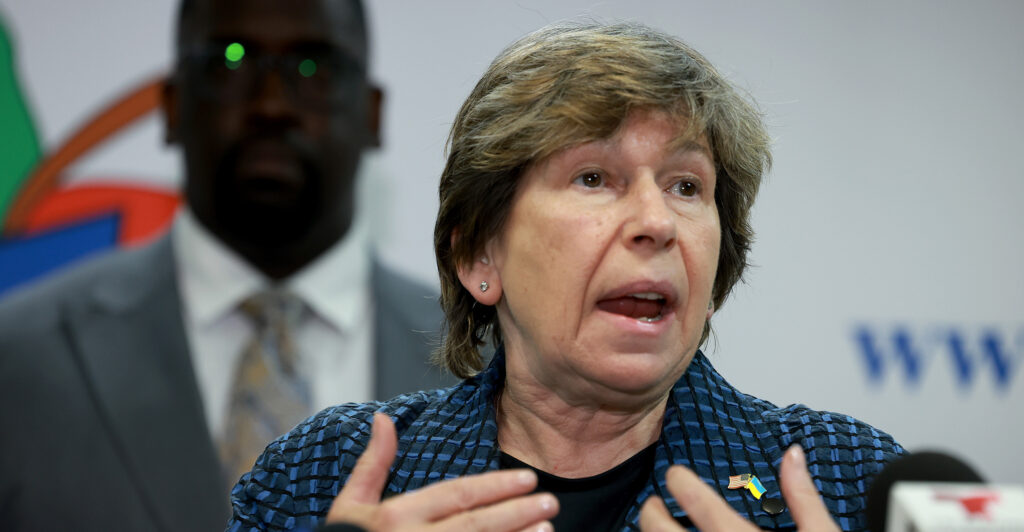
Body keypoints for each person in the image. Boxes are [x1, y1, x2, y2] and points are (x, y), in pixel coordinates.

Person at [228, 21, 903, 532]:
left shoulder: (847, 480)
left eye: (686, 185)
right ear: (478, 258)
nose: (657, 221)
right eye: (593, 178)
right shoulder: (322, 477)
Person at [0, 0, 450, 530]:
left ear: (373, 114)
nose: (271, 104)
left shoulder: (491, 368)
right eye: (229, 63)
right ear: (171, 107)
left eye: (314, 67)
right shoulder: (19, 360)